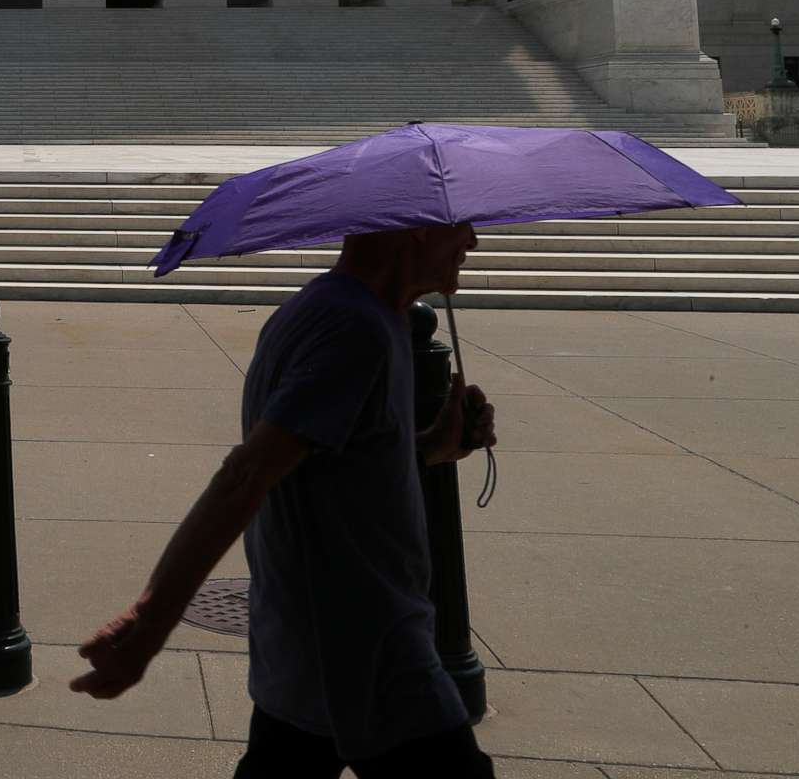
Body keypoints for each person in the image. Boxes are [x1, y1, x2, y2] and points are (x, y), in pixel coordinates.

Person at [71, 222, 499, 776]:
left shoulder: (339, 311)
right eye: (460, 226)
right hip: (369, 652)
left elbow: (335, 469)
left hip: (311, 654)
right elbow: (246, 474)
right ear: (415, 230)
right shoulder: (354, 329)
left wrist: (433, 447)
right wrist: (150, 621)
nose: (471, 241)